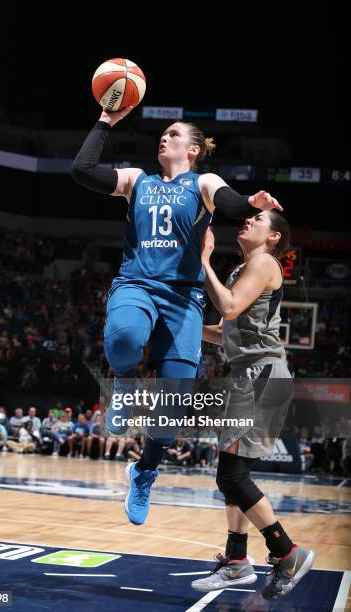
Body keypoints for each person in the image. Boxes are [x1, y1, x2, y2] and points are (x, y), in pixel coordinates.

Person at [71, 107, 282, 526]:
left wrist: (250, 203)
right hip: (136, 284)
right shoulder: (136, 180)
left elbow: (230, 201)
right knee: (126, 338)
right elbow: (82, 169)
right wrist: (104, 120)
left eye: (173, 134)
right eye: (162, 135)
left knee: (169, 421)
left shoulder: (202, 182)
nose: (163, 139)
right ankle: (124, 389)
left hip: (183, 299)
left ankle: (144, 470)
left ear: (194, 148)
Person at [190, 211, 314, 600]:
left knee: (230, 475)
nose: (247, 220)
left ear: (274, 235)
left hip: (261, 375)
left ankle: (287, 552)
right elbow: (225, 331)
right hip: (249, 373)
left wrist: (202, 261)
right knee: (233, 471)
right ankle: (237, 561)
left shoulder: (264, 262)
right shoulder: (245, 269)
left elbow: (227, 308)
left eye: (257, 219)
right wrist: (175, 325)